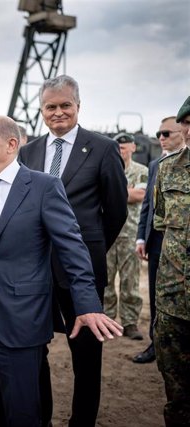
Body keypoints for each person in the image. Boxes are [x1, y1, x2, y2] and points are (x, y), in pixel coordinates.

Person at [0, 115, 122, 427]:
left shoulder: (43, 187)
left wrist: (87, 304)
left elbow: (73, 249)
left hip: (23, 319)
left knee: (25, 412)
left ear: (11, 144)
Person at [18, 75, 128, 427]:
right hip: (36, 271)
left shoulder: (103, 148)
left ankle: (82, 422)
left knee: (86, 356)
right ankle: (42, 419)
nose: (59, 112)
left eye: (66, 105)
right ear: (41, 110)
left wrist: (87, 251)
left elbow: (116, 210)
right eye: (51, 106)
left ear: (78, 106)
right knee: (35, 351)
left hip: (82, 272)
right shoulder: (28, 151)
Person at [133, 116, 187, 363]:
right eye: (159, 134)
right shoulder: (158, 165)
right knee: (158, 297)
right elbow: (149, 206)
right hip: (158, 243)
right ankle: (156, 344)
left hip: (181, 244)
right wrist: (140, 239)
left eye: (167, 133)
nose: (161, 138)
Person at [152, 96, 190, 427]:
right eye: (187, 123)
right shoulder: (168, 169)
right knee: (177, 391)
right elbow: (161, 223)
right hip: (174, 299)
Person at [104, 133, 148, 339]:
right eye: (118, 146)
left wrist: (112, 191)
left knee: (130, 282)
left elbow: (140, 195)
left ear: (132, 147)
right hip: (108, 234)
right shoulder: (104, 168)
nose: (121, 150)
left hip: (130, 234)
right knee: (105, 282)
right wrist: (126, 191)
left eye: (124, 146)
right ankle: (108, 321)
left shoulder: (141, 171)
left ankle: (130, 323)